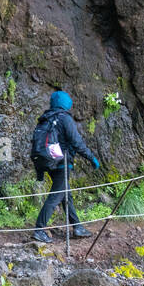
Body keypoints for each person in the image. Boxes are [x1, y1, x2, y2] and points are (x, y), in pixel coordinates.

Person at [30, 90, 101, 242]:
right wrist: (92, 158)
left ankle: (77, 227)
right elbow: (77, 142)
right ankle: (39, 229)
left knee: (65, 194)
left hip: (49, 163)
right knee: (56, 196)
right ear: (65, 102)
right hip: (62, 163)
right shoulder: (64, 118)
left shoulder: (46, 119)